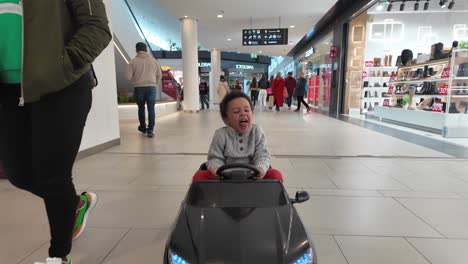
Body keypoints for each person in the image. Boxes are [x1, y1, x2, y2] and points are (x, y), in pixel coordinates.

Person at [0, 1, 111, 264]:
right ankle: (73, 204)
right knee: (18, 173)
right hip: (7, 90)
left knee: (53, 175)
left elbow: (97, 26)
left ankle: (58, 256)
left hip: (60, 87)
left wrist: (63, 65)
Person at [192, 92, 283, 182]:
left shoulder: (256, 131)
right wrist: (217, 169)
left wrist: (260, 168)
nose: (243, 114)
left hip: (253, 177)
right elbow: (215, 157)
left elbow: (262, 154)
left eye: (247, 110)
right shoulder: (221, 134)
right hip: (224, 177)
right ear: (226, 119)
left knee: (275, 175)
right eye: (236, 111)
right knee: (200, 176)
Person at [126, 42, 162, 138]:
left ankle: (142, 127)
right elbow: (159, 75)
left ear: (136, 50)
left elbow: (128, 77)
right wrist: (155, 83)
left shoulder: (133, 61)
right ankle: (150, 130)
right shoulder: (154, 61)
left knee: (141, 108)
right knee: (151, 109)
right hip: (151, 88)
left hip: (139, 88)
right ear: (146, 50)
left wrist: (136, 79)